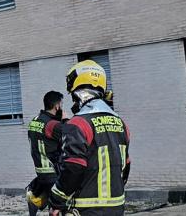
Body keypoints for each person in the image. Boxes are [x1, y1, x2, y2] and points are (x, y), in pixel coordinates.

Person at [47, 60, 130, 216]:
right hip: (117, 208)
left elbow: (73, 168)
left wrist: (56, 200)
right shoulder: (121, 124)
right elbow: (125, 166)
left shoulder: (78, 124)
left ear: (78, 92)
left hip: (86, 209)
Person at [25, 91, 67, 216]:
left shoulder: (34, 121)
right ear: (57, 106)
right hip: (53, 172)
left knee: (52, 205)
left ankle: (35, 197)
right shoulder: (52, 125)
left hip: (41, 171)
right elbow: (71, 136)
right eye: (61, 104)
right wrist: (65, 120)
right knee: (59, 208)